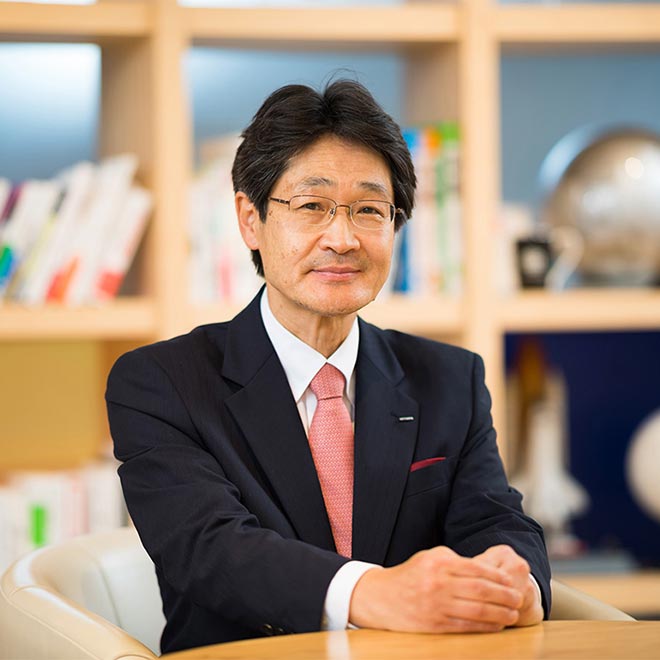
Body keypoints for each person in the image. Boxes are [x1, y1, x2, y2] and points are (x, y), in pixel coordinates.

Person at [106, 80, 551, 655]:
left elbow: (495, 522)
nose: (342, 239)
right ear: (250, 219)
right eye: (312, 206)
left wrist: (516, 584)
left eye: (369, 210)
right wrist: (374, 592)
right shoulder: (162, 383)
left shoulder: (449, 379)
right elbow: (211, 549)